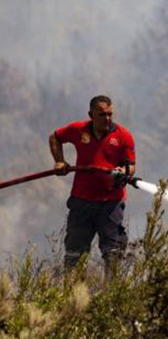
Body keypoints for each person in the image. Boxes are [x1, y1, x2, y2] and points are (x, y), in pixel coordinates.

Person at [49, 95, 136, 276]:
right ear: (91, 115)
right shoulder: (77, 130)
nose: (107, 118)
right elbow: (55, 137)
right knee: (74, 253)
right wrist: (59, 161)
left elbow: (131, 166)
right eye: (102, 114)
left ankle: (111, 297)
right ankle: (73, 295)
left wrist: (124, 172)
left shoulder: (123, 136)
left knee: (113, 251)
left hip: (111, 202)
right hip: (82, 201)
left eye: (110, 114)